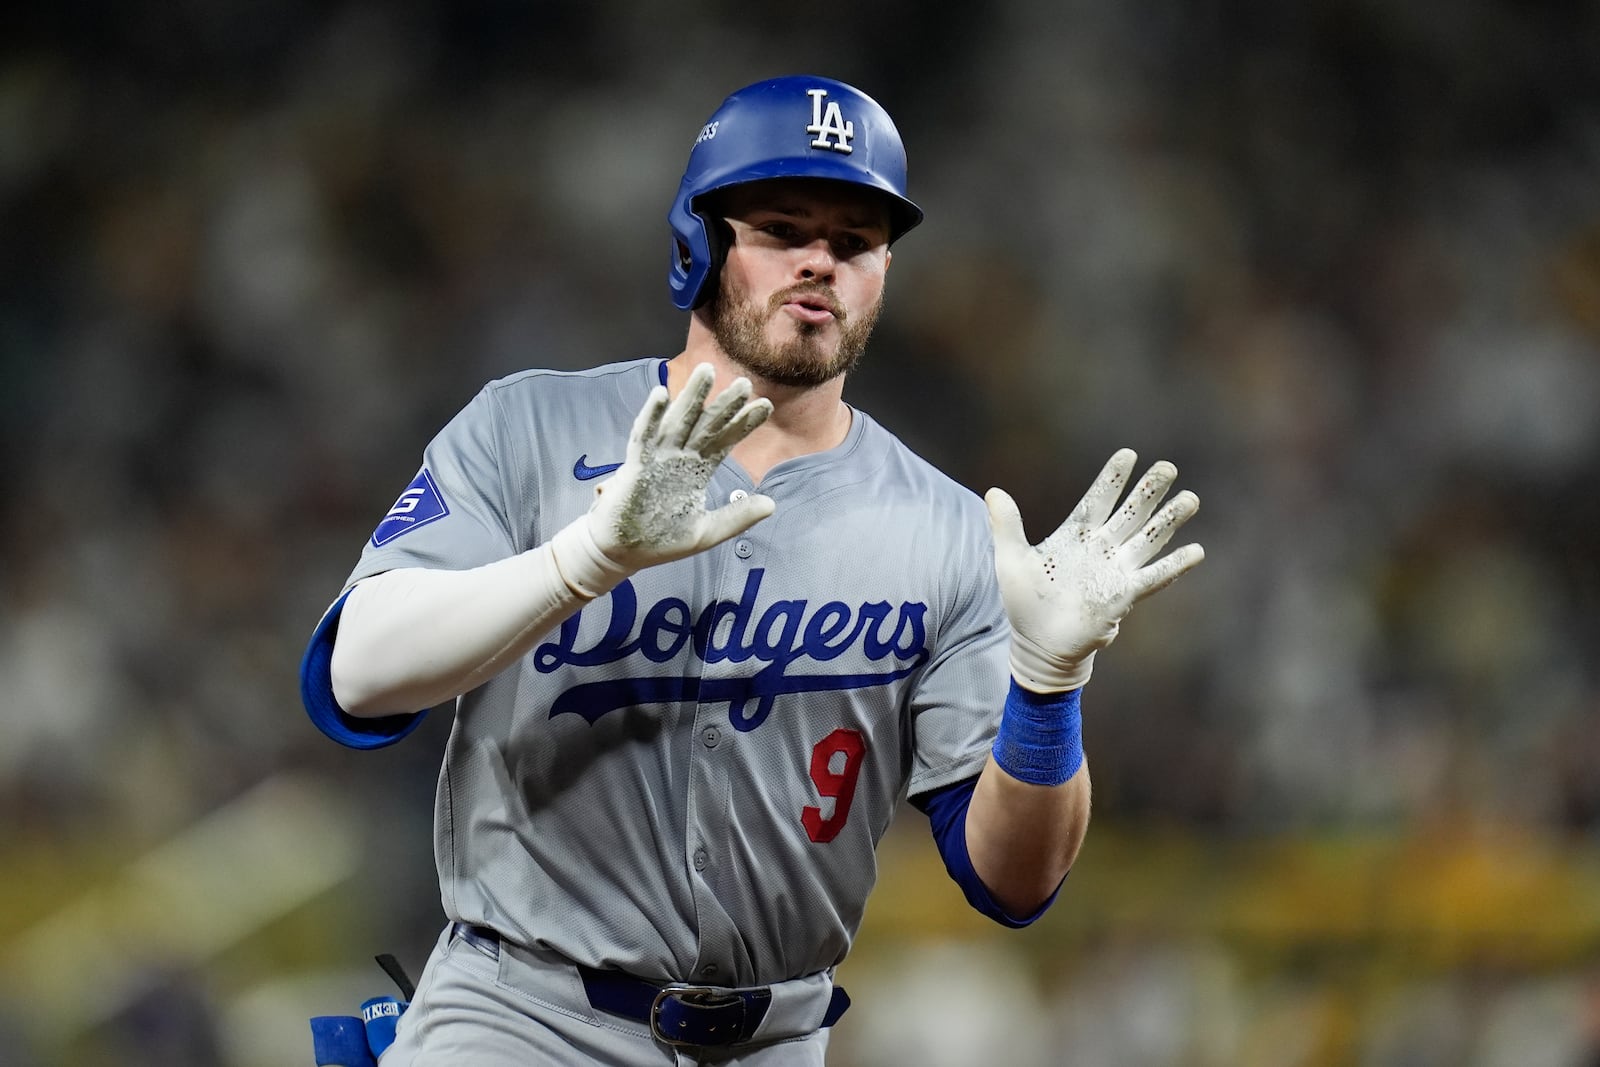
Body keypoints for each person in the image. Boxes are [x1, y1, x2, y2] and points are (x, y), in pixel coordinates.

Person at [299, 74, 1203, 1066]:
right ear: (701, 244)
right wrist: (581, 559)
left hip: (774, 1037)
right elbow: (357, 673)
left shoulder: (947, 528)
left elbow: (1012, 881)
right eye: (782, 227)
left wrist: (1049, 688)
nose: (822, 260)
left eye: (855, 241)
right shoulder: (528, 428)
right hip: (518, 1016)